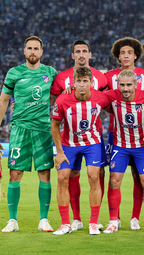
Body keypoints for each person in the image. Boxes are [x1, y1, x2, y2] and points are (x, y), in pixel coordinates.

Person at [0, 36, 57, 233]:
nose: (32, 51)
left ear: (41, 52)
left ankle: (44, 220)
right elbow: (3, 101)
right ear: (24, 51)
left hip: (43, 130)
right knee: (15, 173)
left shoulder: (50, 72)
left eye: (36, 48)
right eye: (29, 48)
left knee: (45, 173)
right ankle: (12, 220)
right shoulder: (14, 73)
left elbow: (59, 97)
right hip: (20, 129)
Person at [51, 39, 108, 231]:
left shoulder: (101, 96)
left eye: (85, 81)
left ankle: (93, 222)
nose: (82, 84)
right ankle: (67, 222)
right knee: (62, 178)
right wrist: (59, 151)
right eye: (79, 81)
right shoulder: (63, 98)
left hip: (93, 142)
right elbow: (55, 124)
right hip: (69, 143)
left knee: (94, 176)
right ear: (73, 82)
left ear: (92, 83)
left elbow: (116, 105)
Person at [104, 37, 144, 230]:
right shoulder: (109, 76)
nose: (126, 56)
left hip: (140, 136)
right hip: (116, 134)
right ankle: (113, 219)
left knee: (140, 177)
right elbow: (99, 98)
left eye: (129, 52)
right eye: (122, 53)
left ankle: (135, 217)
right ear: (117, 56)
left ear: (136, 55)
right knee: (114, 177)